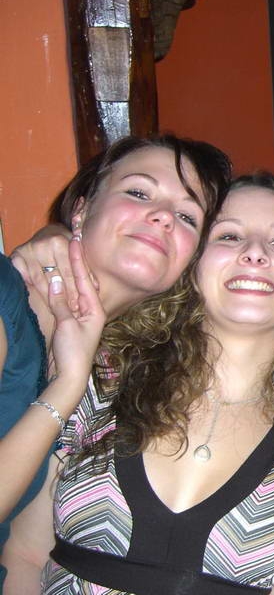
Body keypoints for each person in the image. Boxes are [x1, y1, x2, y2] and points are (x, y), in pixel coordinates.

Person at [3, 173, 274, 594]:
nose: (254, 252)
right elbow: (25, 555)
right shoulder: (97, 382)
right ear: (192, 267)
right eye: (229, 236)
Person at [0, 134, 230, 582]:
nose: (164, 216)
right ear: (81, 210)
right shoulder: (6, 301)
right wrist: (66, 386)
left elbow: (25, 552)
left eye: (187, 216)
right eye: (139, 192)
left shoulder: (107, 374)